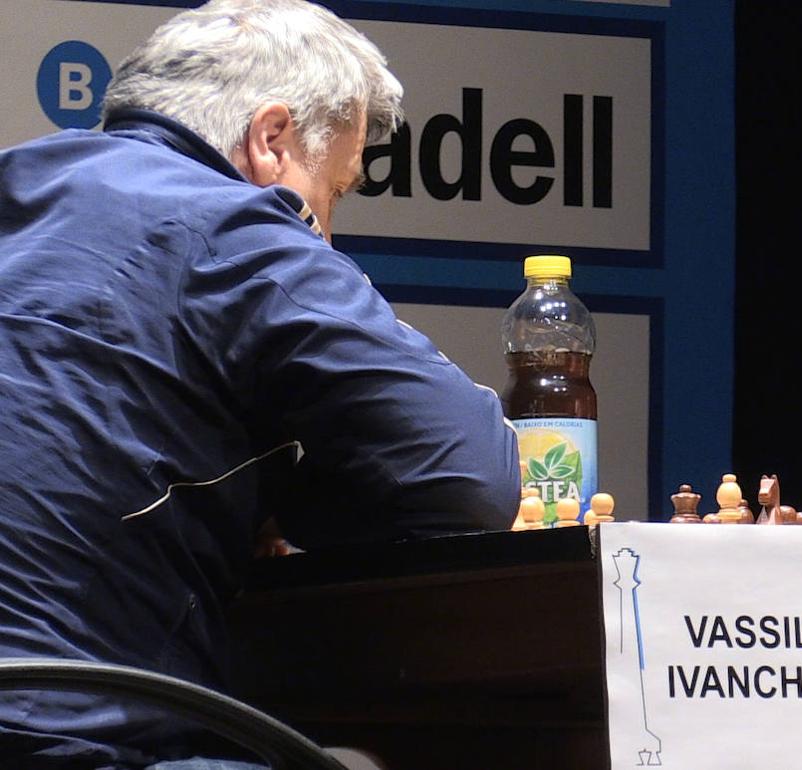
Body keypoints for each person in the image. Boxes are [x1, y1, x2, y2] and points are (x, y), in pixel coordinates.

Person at [0, 0, 519, 765]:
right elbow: (470, 478)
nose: (325, 233)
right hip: (65, 740)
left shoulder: (19, 179)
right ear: (271, 140)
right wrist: (297, 499)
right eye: (332, 191)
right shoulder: (231, 226)